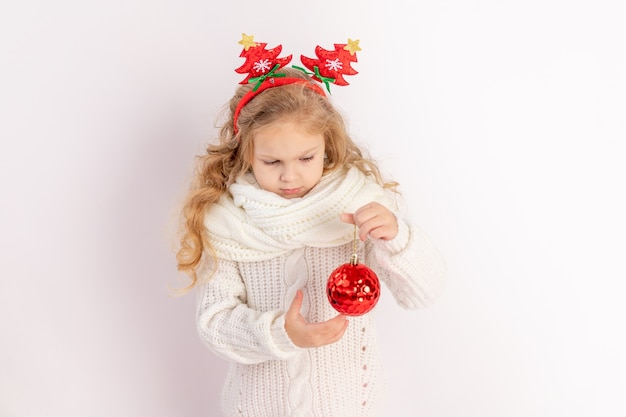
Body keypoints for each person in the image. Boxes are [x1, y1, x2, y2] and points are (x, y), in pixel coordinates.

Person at [175, 37, 446, 417]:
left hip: (353, 406)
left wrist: (397, 237)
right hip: (257, 408)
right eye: (272, 162)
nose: (291, 176)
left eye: (306, 157)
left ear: (327, 145)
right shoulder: (228, 223)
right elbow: (215, 324)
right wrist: (281, 333)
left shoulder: (358, 207)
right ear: (245, 154)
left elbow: (424, 293)